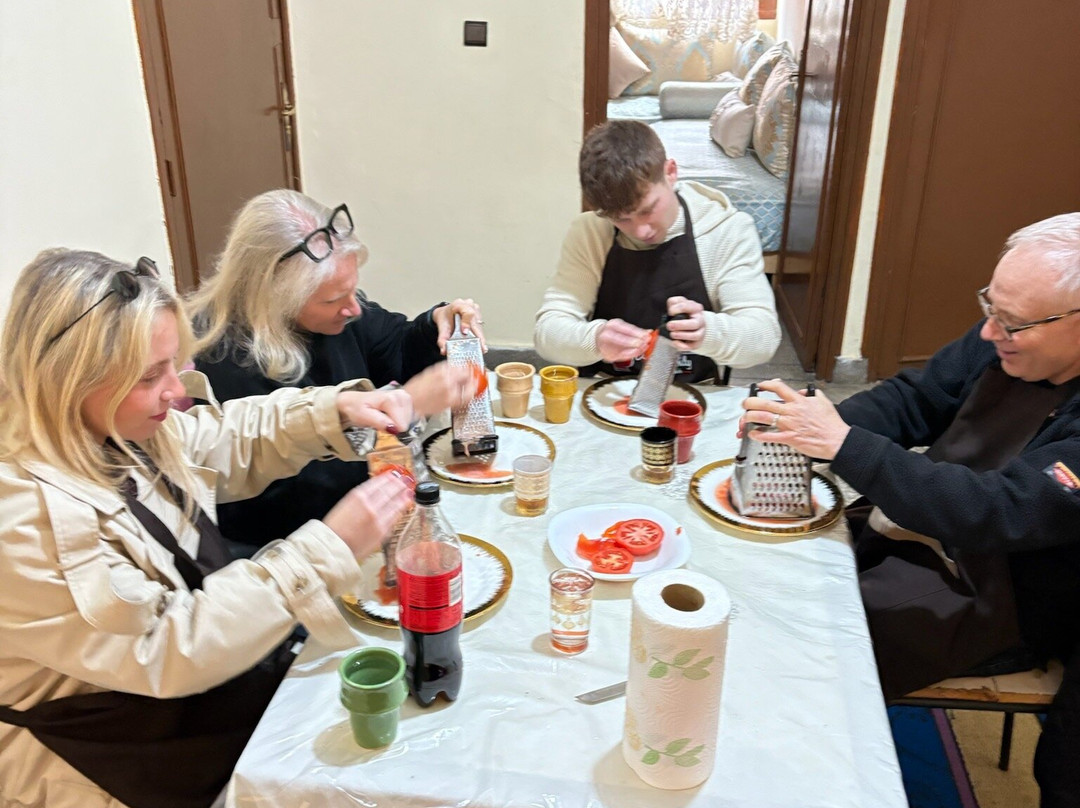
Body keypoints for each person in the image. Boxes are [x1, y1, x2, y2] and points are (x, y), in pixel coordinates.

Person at [0, 249, 422, 808]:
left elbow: (223, 436)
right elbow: (164, 648)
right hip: (109, 757)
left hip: (194, 701)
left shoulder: (112, 424)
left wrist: (338, 411)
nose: (177, 392)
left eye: (173, 364)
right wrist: (325, 548)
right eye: (151, 375)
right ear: (68, 380)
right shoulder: (22, 518)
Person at [740, 213, 1080, 807]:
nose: (988, 333)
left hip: (1004, 592)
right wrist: (812, 421)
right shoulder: (1001, 338)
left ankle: (794, 775)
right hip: (923, 529)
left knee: (801, 641)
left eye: (1012, 323)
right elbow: (916, 400)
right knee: (767, 575)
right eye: (989, 308)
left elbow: (995, 510)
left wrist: (843, 445)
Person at [187, 190, 482, 555]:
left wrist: (435, 325)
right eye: (333, 300)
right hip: (288, 546)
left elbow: (396, 351)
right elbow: (302, 480)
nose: (354, 309)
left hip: (360, 515)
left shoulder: (337, 315)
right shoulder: (225, 355)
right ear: (275, 295)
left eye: (353, 291)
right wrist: (409, 404)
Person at [534, 119, 780, 383]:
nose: (641, 231)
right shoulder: (591, 231)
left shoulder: (727, 230)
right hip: (604, 389)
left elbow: (763, 337)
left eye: (648, 210)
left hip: (692, 396)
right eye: (622, 219)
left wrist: (708, 331)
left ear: (670, 172)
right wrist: (593, 339)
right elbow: (547, 333)